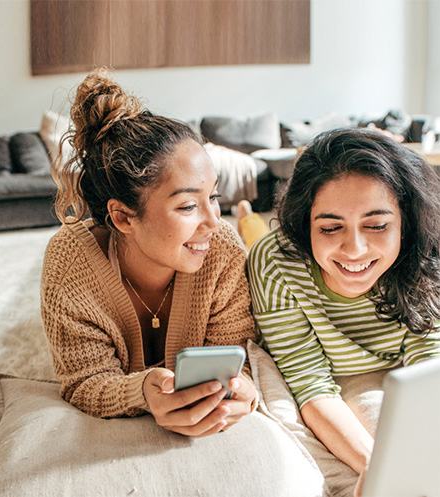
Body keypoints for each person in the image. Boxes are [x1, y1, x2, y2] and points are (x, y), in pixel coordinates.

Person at [40, 69, 259, 437]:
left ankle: (249, 215)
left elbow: (238, 355)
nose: (212, 221)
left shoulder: (222, 250)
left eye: (214, 197)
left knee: (256, 236)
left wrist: (243, 391)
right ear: (123, 217)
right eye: (189, 206)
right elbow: (83, 381)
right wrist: (140, 391)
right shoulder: (70, 266)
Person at [245, 128, 440, 492]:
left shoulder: (426, 253)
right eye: (331, 227)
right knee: (252, 231)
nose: (354, 249)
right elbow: (310, 383)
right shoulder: (275, 261)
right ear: (306, 225)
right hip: (333, 373)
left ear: (405, 222)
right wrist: (378, 468)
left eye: (377, 225)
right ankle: (244, 213)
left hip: (389, 370)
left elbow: (428, 362)